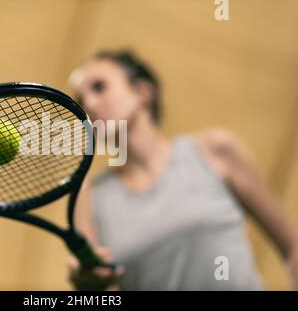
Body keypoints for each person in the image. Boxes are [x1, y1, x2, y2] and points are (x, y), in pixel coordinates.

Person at [66, 50, 298, 290]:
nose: (89, 105)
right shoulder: (90, 196)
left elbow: (293, 247)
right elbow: (92, 283)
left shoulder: (216, 150)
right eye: (81, 100)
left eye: (100, 87)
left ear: (143, 92)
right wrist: (85, 279)